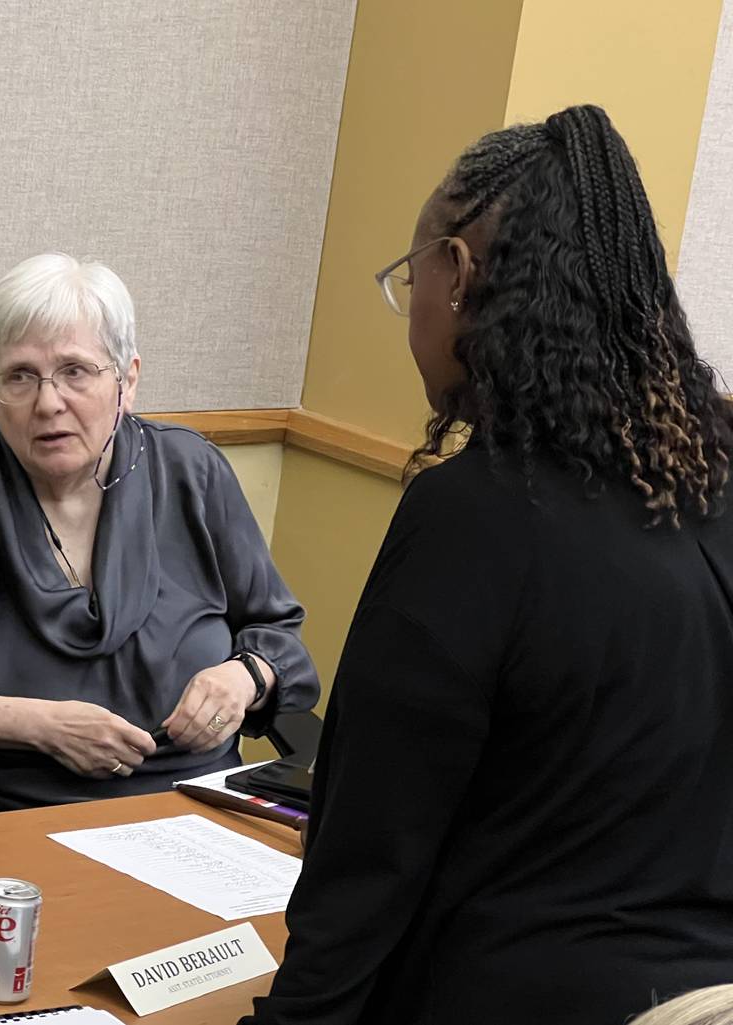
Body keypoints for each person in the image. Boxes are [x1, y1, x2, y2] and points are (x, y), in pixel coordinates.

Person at [245, 106, 733, 1025]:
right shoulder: (716, 483)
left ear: (460, 275)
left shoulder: (475, 518)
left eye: (409, 276)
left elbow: (370, 859)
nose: (411, 306)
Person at [0, 253, 318, 811]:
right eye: (19, 376)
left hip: (197, 808)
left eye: (75, 371)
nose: (48, 402)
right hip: (19, 814)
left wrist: (245, 677)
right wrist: (37, 724)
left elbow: (279, 635)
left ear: (127, 380)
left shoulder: (194, 474)